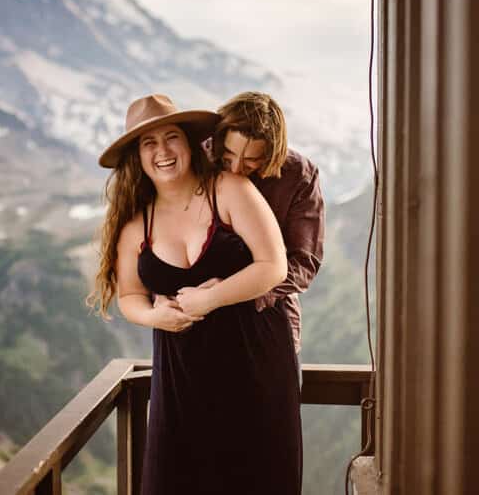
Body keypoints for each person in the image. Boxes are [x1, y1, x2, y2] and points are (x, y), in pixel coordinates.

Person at [91, 93, 302, 495]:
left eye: (171, 137)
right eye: (148, 143)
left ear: (189, 143)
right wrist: (156, 316)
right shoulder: (136, 225)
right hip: (181, 379)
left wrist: (211, 298)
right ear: (137, 156)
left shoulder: (229, 187)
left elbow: (272, 265)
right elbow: (130, 297)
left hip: (257, 366)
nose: (162, 151)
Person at [209, 91, 325, 359]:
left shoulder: (299, 176)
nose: (236, 169)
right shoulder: (201, 158)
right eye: (229, 155)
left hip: (268, 321)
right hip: (200, 321)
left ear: (273, 154)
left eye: (251, 161)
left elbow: (305, 262)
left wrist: (240, 292)